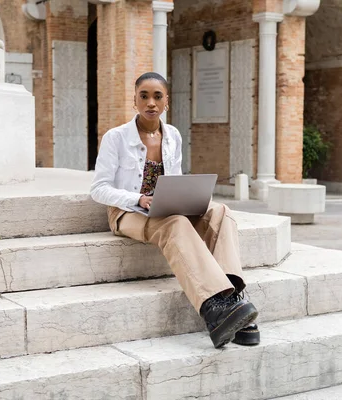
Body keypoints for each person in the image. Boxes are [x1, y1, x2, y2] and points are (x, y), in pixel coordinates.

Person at [90, 72, 259, 348]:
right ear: (134, 100)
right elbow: (99, 189)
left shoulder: (173, 136)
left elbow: (175, 178)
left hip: (167, 208)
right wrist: (138, 198)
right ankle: (214, 310)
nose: (151, 103)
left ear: (166, 101)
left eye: (157, 96)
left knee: (221, 212)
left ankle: (232, 301)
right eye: (144, 96)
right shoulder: (116, 138)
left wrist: (186, 197)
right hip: (126, 213)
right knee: (177, 224)